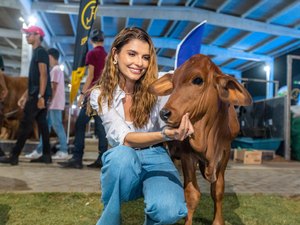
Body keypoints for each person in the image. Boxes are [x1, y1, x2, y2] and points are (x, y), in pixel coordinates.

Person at [89, 27, 194, 225]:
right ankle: (110, 220)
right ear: (115, 54)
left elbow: (182, 81)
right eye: (132, 54)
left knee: (170, 211)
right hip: (123, 159)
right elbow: (126, 139)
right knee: (121, 158)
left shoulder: (157, 86)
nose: (139, 63)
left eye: (145, 57)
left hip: (156, 155)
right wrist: (166, 135)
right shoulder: (100, 94)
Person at [0, 25, 52, 165]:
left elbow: (44, 75)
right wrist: (24, 96)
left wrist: (41, 96)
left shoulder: (40, 52)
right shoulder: (36, 53)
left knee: (25, 124)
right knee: (42, 125)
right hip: (35, 93)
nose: (27, 36)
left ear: (37, 35)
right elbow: (34, 80)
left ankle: (14, 156)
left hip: (38, 96)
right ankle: (47, 155)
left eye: (29, 34)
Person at [58, 28, 108, 169]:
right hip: (103, 94)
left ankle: (77, 158)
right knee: (101, 128)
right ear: (103, 40)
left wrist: (82, 94)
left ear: (91, 40)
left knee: (80, 125)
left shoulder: (91, 53)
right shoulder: (107, 55)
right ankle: (102, 159)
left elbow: (91, 76)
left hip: (92, 94)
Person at [25, 48, 68, 160]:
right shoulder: (58, 70)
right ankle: (40, 150)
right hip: (56, 103)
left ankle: (64, 150)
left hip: (54, 104)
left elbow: (53, 88)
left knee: (57, 126)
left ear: (50, 57)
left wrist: (48, 102)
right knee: (46, 127)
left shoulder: (55, 70)